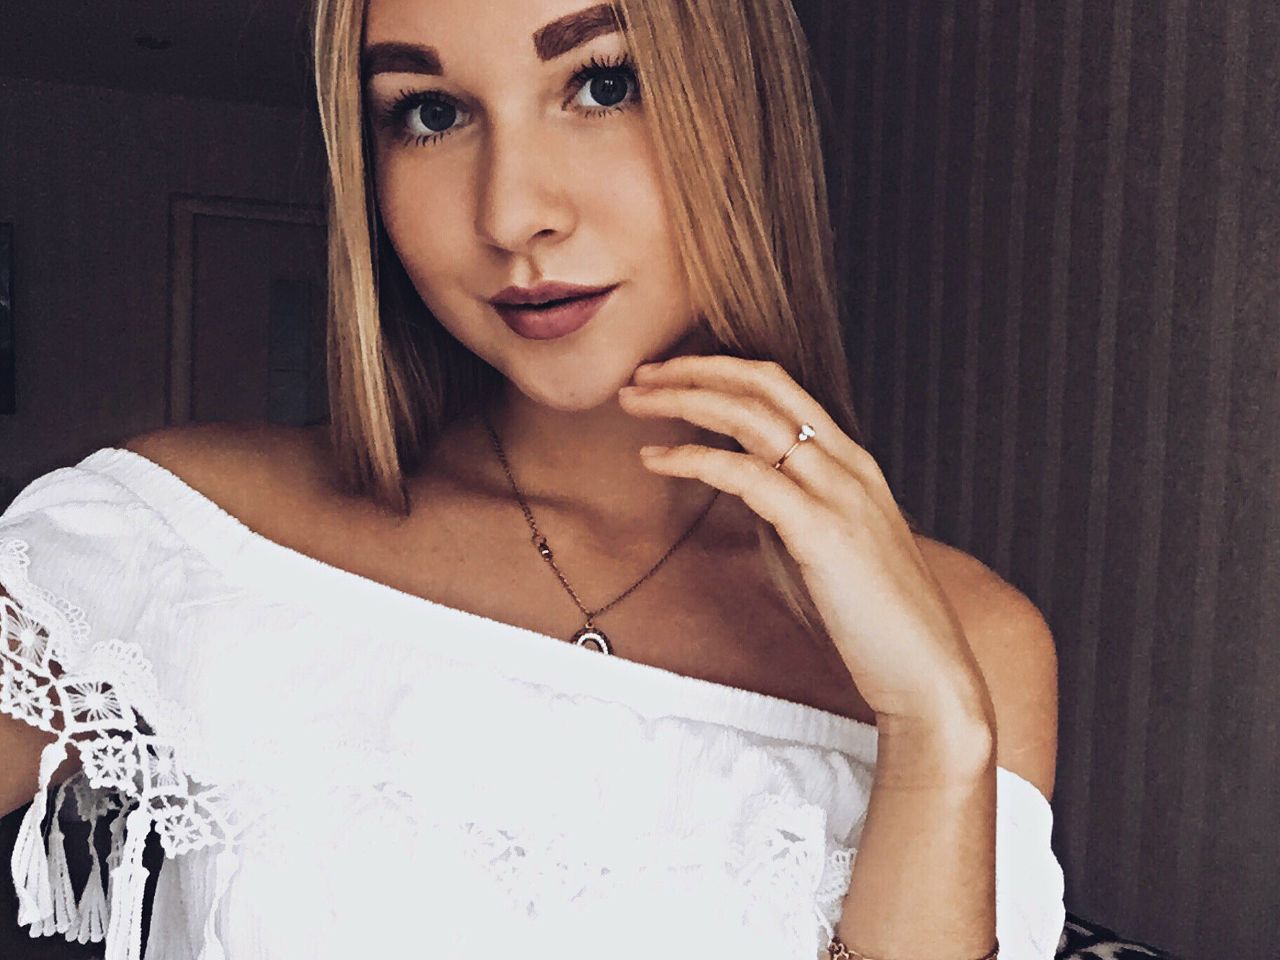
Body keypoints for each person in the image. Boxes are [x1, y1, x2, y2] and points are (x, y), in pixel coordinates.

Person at [0, 0, 1066, 958]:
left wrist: (933, 739)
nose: (511, 214)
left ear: (743, 108)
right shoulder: (185, 538)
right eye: (428, 114)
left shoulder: (968, 648)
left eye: (603, 83)